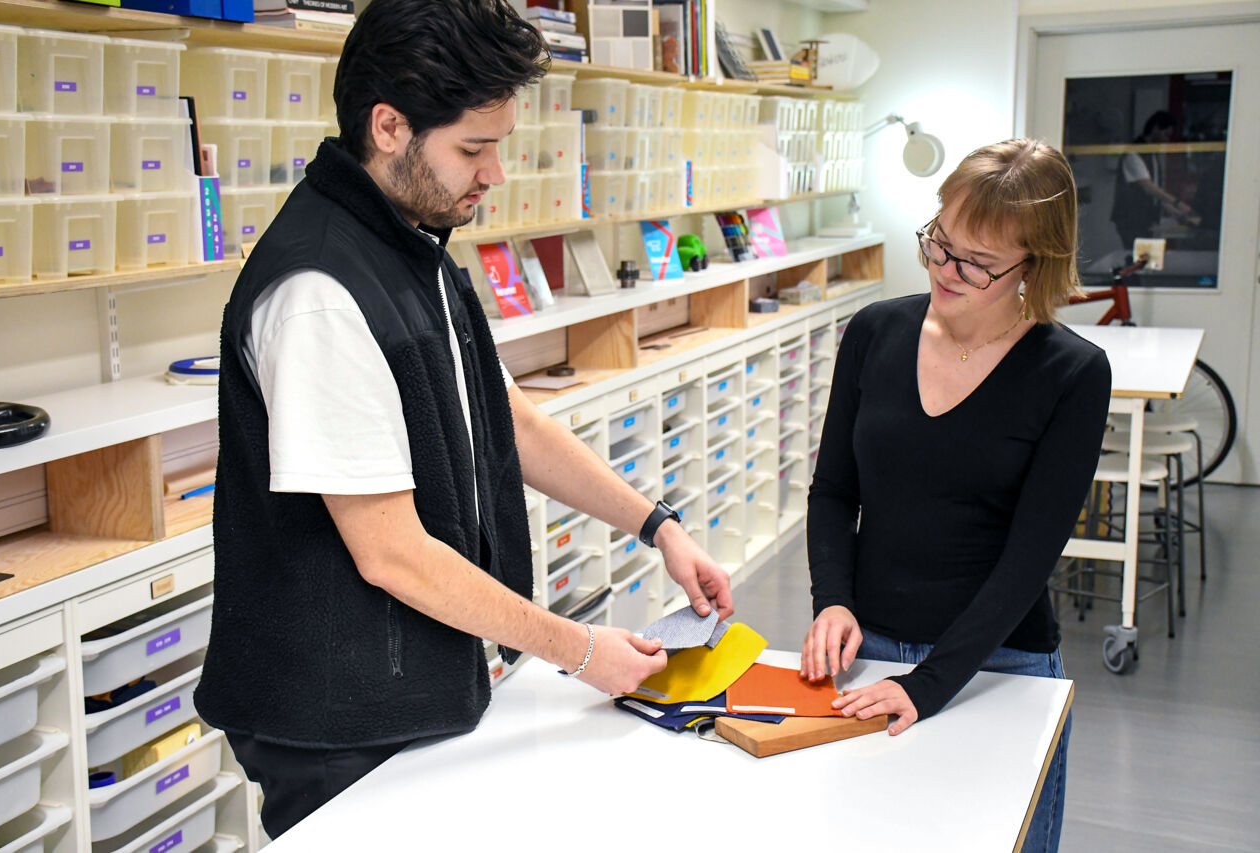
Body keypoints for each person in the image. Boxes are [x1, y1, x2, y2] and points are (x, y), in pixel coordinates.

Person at [193, 0, 732, 838]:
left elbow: (499, 414)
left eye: (500, 147)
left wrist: (654, 524)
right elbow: (392, 553)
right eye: (473, 149)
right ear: (389, 127)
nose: (495, 174)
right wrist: (580, 650)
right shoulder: (319, 294)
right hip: (336, 715)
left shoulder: (411, 240)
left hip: (412, 675)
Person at [799, 139, 1111, 852]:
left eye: (977, 262)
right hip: (867, 648)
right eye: (940, 244)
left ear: (1037, 264)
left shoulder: (1072, 372)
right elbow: (833, 490)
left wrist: (931, 683)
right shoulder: (876, 331)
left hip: (1000, 663)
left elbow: (1031, 557)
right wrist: (832, 601)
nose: (946, 269)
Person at [1110, 110, 1197, 255]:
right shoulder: (1133, 154)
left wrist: (1175, 213)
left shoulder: (1151, 155)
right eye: (1165, 134)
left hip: (1144, 219)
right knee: (1138, 258)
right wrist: (1178, 203)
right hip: (1131, 219)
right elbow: (1148, 187)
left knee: (1145, 257)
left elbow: (1153, 192)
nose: (1166, 140)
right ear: (1156, 128)